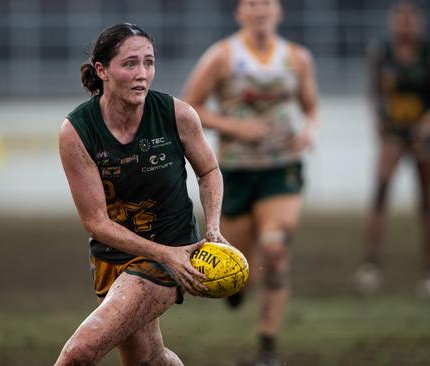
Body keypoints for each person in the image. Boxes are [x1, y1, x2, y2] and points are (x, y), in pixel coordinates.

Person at [55, 23, 227, 366]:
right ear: (101, 70)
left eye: (149, 62)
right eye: (130, 64)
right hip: (112, 258)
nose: (142, 74)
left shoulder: (177, 115)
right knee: (149, 361)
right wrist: (164, 253)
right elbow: (97, 224)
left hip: (171, 255)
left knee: (79, 353)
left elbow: (209, 171)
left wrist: (212, 231)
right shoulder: (77, 131)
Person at [183, 0, 319, 364]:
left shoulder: (297, 58)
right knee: (238, 270)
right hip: (235, 173)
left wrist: (309, 131)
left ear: (279, 11)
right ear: (239, 13)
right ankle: (238, 291)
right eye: (251, 3)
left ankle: (267, 350)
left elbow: (311, 106)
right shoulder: (222, 56)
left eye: (267, 3)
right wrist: (235, 127)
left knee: (275, 252)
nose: (260, 9)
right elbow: (189, 108)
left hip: (281, 169)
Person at [352, 1, 430, 298]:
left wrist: (429, 123)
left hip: (424, 135)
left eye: (411, 19)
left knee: (426, 202)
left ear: (419, 22)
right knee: (380, 193)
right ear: (392, 22)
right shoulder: (381, 52)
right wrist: (380, 124)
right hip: (394, 132)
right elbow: (374, 92)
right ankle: (370, 265)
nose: (405, 24)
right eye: (400, 18)